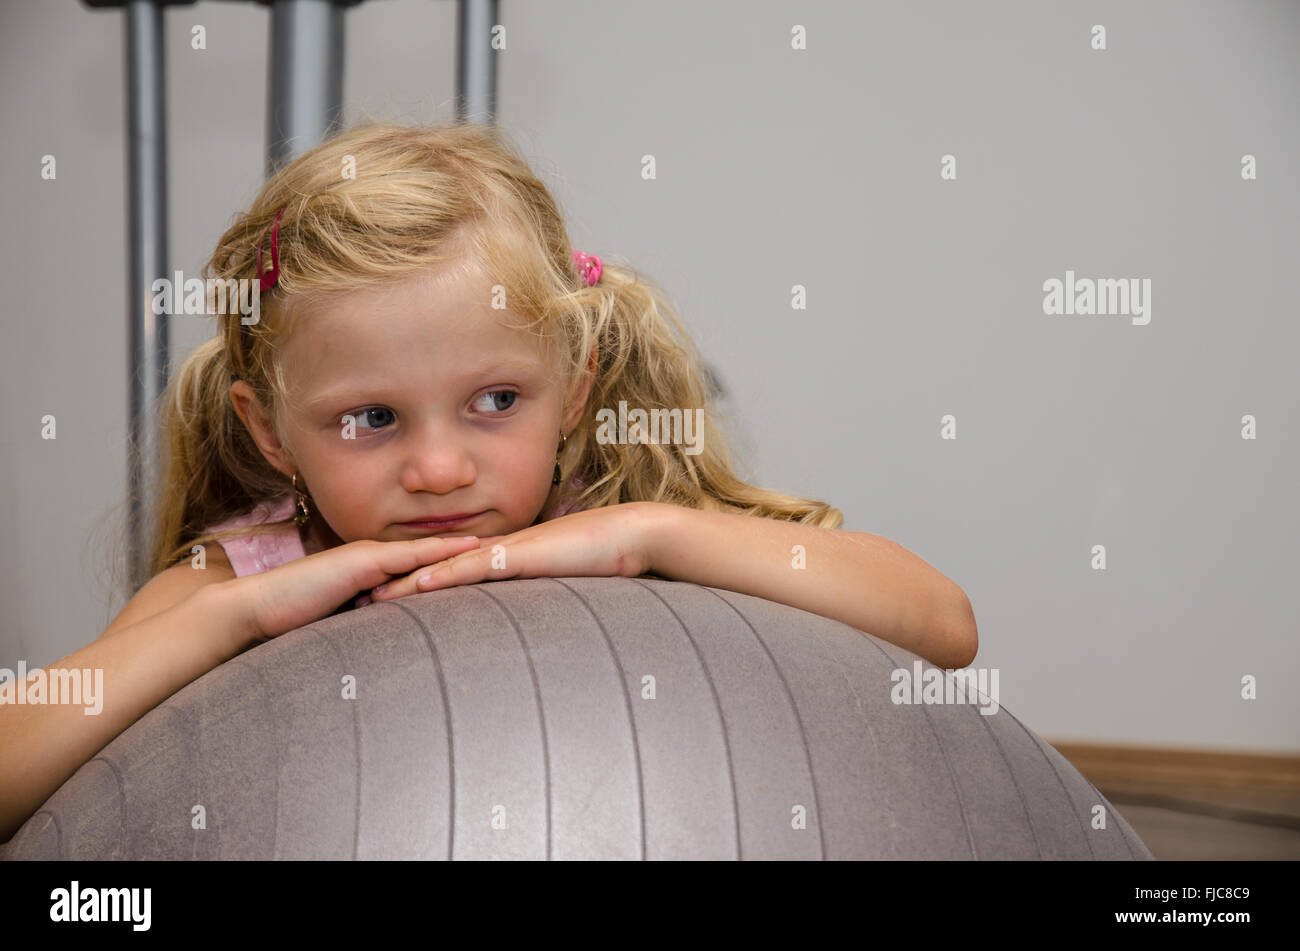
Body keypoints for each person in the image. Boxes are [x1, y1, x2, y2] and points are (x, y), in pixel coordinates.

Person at [0, 121, 977, 844]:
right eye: (370, 418)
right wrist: (236, 619)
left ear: (575, 383)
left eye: (496, 399)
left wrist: (652, 536)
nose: (437, 468)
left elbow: (942, 624)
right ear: (272, 434)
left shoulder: (615, 519)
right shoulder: (246, 574)